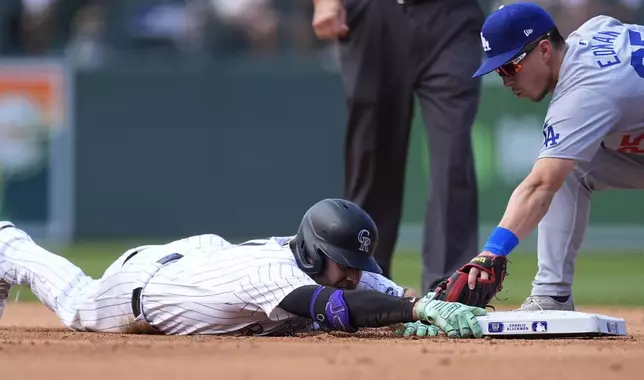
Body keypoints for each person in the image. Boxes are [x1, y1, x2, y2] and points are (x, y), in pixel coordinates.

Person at [0, 198, 487, 337]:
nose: (355, 275)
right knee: (75, 300)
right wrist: (415, 311)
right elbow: (338, 306)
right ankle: (11, 246)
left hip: (204, 260)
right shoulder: (275, 275)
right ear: (316, 254)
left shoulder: (325, 264)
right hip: (144, 286)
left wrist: (435, 301)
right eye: (346, 265)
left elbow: (391, 295)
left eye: (359, 264)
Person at [466, 2, 644, 310]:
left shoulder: (583, 94)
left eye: (510, 66)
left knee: (555, 172)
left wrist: (491, 253)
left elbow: (539, 187)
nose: (505, 79)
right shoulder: (593, 31)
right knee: (572, 164)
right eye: (498, 69)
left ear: (545, 49)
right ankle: (552, 293)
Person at [311, 0, 484, 292]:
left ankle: (450, 290)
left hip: (453, 18)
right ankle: (361, 282)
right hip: (376, 14)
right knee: (372, 158)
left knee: (453, 157)